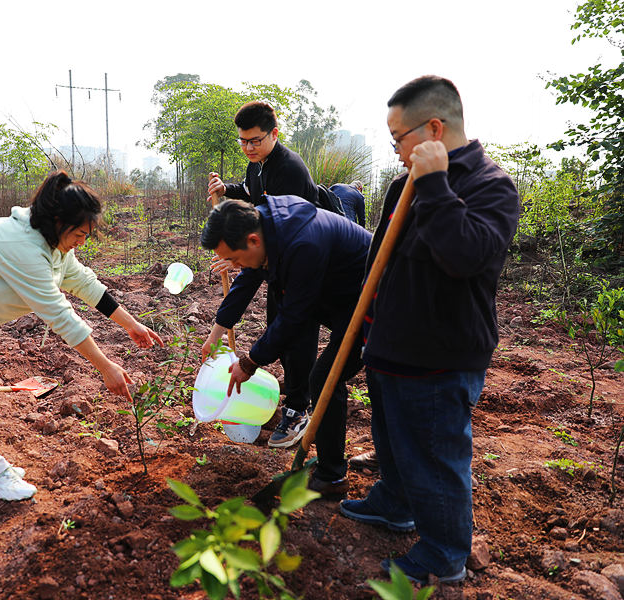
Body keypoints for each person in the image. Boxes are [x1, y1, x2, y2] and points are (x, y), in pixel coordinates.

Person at [338, 76, 519, 583]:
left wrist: (437, 184)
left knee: (436, 458)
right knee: (393, 440)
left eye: (398, 137)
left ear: (434, 128)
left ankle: (444, 554)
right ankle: (394, 503)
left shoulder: (489, 185)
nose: (394, 149)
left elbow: (464, 256)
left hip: (439, 355)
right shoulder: (402, 184)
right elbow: (381, 263)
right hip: (391, 343)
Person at [0, 171, 163, 501]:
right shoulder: (22, 246)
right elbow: (61, 315)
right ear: (58, 221)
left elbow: (86, 284)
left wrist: (131, 324)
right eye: (79, 233)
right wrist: (106, 367)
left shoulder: (54, 246)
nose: (82, 241)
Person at [199, 196, 371, 496]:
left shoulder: (303, 244)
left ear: (252, 240)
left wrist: (250, 362)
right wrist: (217, 331)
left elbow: (293, 316)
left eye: (236, 259)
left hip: (374, 303)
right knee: (338, 378)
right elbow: (246, 280)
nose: (236, 266)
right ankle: (355, 462)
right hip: (342, 302)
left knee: (326, 378)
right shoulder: (267, 227)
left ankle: (331, 478)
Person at [205, 101, 320, 449]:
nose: (248, 147)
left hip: (308, 260)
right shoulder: (257, 166)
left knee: (296, 330)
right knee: (278, 329)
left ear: (274, 134)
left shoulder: (290, 170)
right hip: (275, 258)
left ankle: (300, 406)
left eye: (255, 140)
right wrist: (229, 191)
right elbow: (253, 192)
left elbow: (279, 232)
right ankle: (297, 388)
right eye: (243, 141)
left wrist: (241, 262)